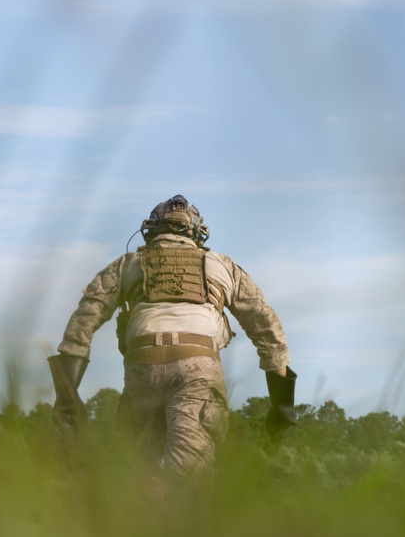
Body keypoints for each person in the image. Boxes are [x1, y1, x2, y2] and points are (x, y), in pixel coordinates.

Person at [49, 195, 296, 476]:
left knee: (140, 478)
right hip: (197, 369)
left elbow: (83, 321)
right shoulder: (223, 265)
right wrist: (282, 405)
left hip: (142, 368)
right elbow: (266, 327)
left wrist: (67, 397)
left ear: (152, 230)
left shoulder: (127, 264)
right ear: (197, 232)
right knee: (187, 481)